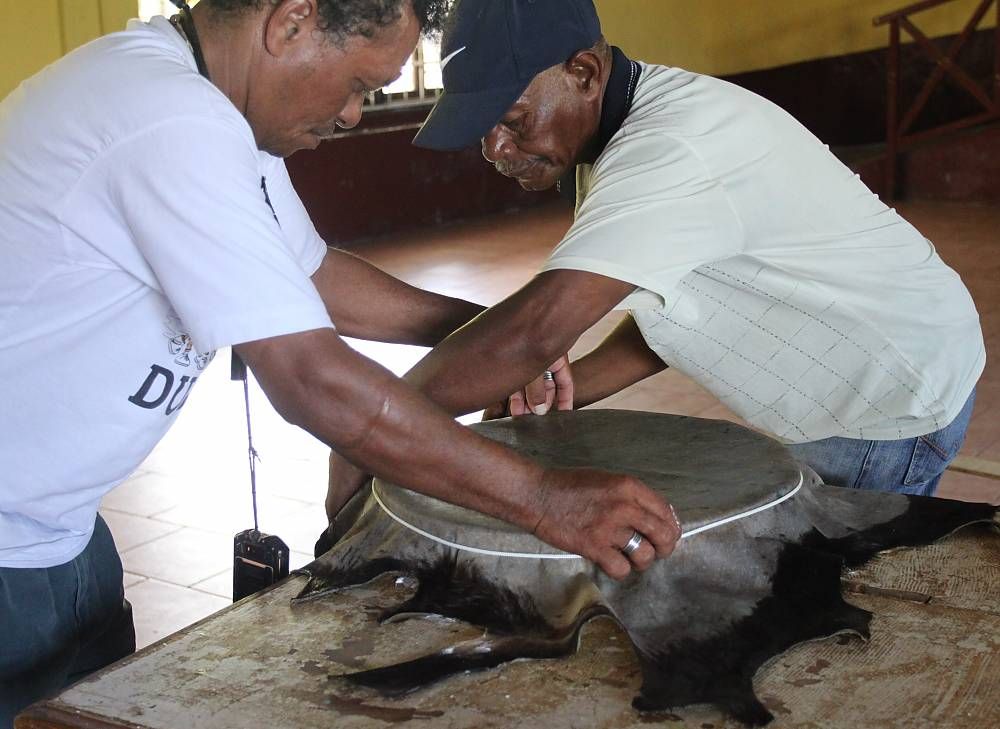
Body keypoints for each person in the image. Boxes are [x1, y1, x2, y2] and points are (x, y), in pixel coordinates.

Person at [0, 0, 683, 721]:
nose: (355, 115)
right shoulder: (164, 119)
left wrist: (482, 332)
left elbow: (316, 278)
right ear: (291, 22)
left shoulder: (214, 114)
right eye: (359, 84)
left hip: (60, 530)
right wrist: (546, 499)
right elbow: (311, 378)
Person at [327, 0, 984, 514]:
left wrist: (377, 424)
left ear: (582, 73)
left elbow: (533, 331)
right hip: (902, 349)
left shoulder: (669, 152)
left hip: (892, 395)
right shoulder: (616, 134)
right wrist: (567, 391)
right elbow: (672, 309)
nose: (495, 148)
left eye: (513, 119)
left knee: (827, 598)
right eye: (481, 131)